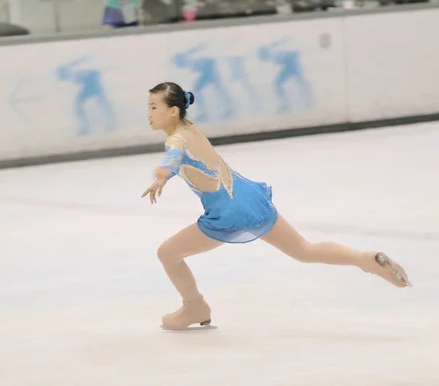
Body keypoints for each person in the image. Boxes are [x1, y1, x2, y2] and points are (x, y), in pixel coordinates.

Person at [142, 82, 411, 331]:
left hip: (228, 212)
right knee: (305, 250)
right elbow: (196, 160)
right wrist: (169, 175)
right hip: (249, 197)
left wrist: (164, 171)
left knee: (167, 254)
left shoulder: (176, 140)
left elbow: (175, 156)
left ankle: (194, 307)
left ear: (173, 111)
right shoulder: (190, 129)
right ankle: (364, 259)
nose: (149, 113)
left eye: (154, 107)